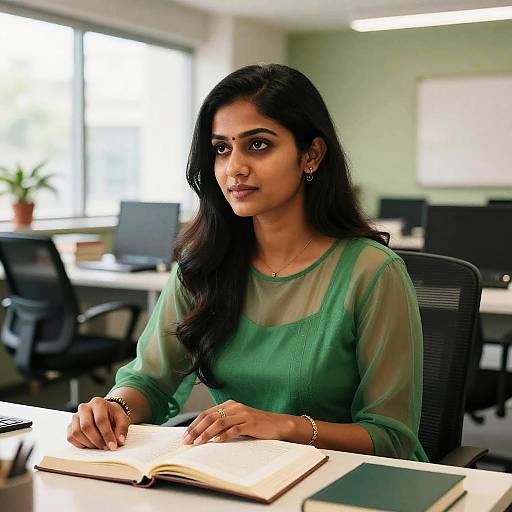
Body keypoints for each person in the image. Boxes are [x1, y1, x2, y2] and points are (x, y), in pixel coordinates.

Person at [67, 63, 427, 462]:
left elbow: (392, 437)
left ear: (311, 155)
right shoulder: (202, 264)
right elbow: (149, 379)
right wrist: (117, 408)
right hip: (243, 476)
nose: (234, 167)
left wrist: (286, 426)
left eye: (258, 144)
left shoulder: (372, 272)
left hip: (345, 483)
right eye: (222, 148)